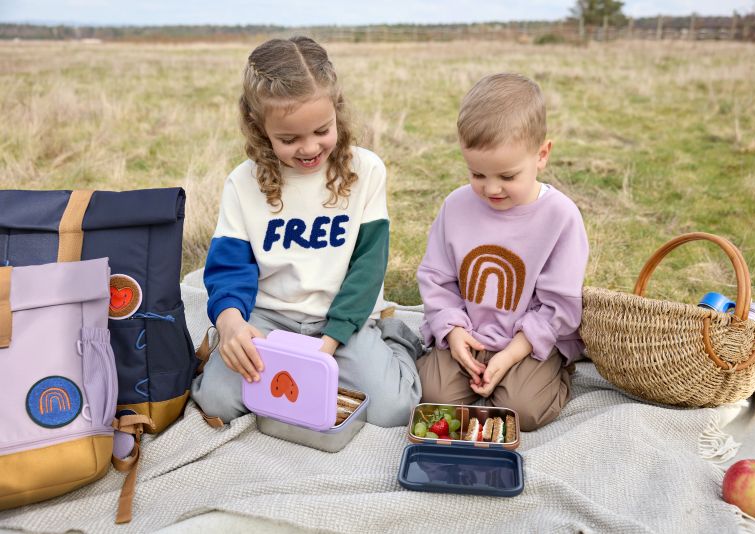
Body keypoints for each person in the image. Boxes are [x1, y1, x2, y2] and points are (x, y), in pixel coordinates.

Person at [192, 36, 422, 427]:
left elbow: (367, 268)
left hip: (340, 321)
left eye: (321, 130)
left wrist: (328, 344)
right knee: (216, 402)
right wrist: (230, 321)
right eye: (289, 139)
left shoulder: (365, 172)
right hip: (268, 320)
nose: (309, 147)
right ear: (259, 128)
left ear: (337, 111)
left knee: (393, 410)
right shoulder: (242, 183)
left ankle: (394, 337)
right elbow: (230, 268)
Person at [416, 73, 589, 432]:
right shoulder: (456, 206)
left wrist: (511, 354)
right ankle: (460, 363)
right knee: (434, 399)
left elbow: (559, 305)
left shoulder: (561, 217)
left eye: (507, 177)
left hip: (528, 341)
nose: (491, 188)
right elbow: (437, 278)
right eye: (477, 173)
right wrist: (452, 332)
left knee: (519, 412)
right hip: (470, 330)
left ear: (542, 155)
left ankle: (554, 372)